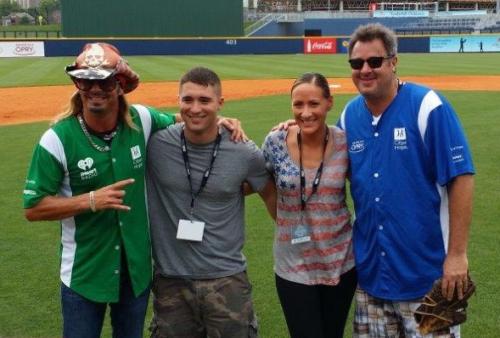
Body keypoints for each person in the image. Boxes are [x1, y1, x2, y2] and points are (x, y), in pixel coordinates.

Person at [22, 43, 242, 338]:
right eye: (85, 80)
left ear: (120, 84)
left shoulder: (143, 119)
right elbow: (33, 207)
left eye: (103, 80)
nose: (94, 88)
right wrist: (89, 200)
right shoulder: (56, 139)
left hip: (135, 271)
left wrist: (219, 121)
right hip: (85, 274)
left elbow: (185, 118)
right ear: (77, 84)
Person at [339, 23, 474, 337]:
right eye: (357, 64)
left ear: (393, 61)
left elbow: (462, 177)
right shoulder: (348, 116)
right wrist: (288, 128)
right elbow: (324, 157)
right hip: (372, 279)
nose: (365, 70)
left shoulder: (427, 105)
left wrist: (457, 255)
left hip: (427, 278)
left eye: (375, 61)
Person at [146, 66, 276, 337]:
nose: (195, 108)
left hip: (226, 278)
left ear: (220, 103)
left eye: (204, 100)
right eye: (187, 100)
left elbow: (271, 195)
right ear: (178, 101)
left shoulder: (244, 151)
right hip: (171, 280)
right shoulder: (155, 144)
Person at [262, 73, 356, 338]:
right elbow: (255, 181)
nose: (305, 113)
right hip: (293, 265)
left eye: (313, 104)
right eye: (298, 105)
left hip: (340, 262)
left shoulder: (345, 143)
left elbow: (369, 187)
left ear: (329, 103)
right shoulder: (275, 142)